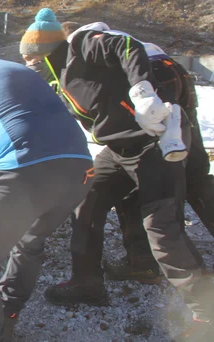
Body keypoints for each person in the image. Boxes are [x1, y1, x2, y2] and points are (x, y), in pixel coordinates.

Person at [18, 8, 213, 338]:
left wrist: (142, 91)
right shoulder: (60, 77)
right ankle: (89, 281)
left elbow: (125, 47)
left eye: (30, 59)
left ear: (42, 53)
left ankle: (207, 312)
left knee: (163, 230)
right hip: (119, 150)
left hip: (153, 145)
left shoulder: (82, 46)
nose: (28, 65)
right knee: (89, 198)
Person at [0, 40, 94, 341]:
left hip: (19, 170)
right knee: (30, 241)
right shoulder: (22, 70)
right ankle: (8, 311)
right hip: (80, 169)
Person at [64, 22, 214, 284]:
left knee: (161, 219)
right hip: (177, 112)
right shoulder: (135, 40)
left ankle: (198, 300)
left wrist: (141, 97)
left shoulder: (85, 43)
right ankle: (140, 263)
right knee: (195, 184)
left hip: (150, 131)